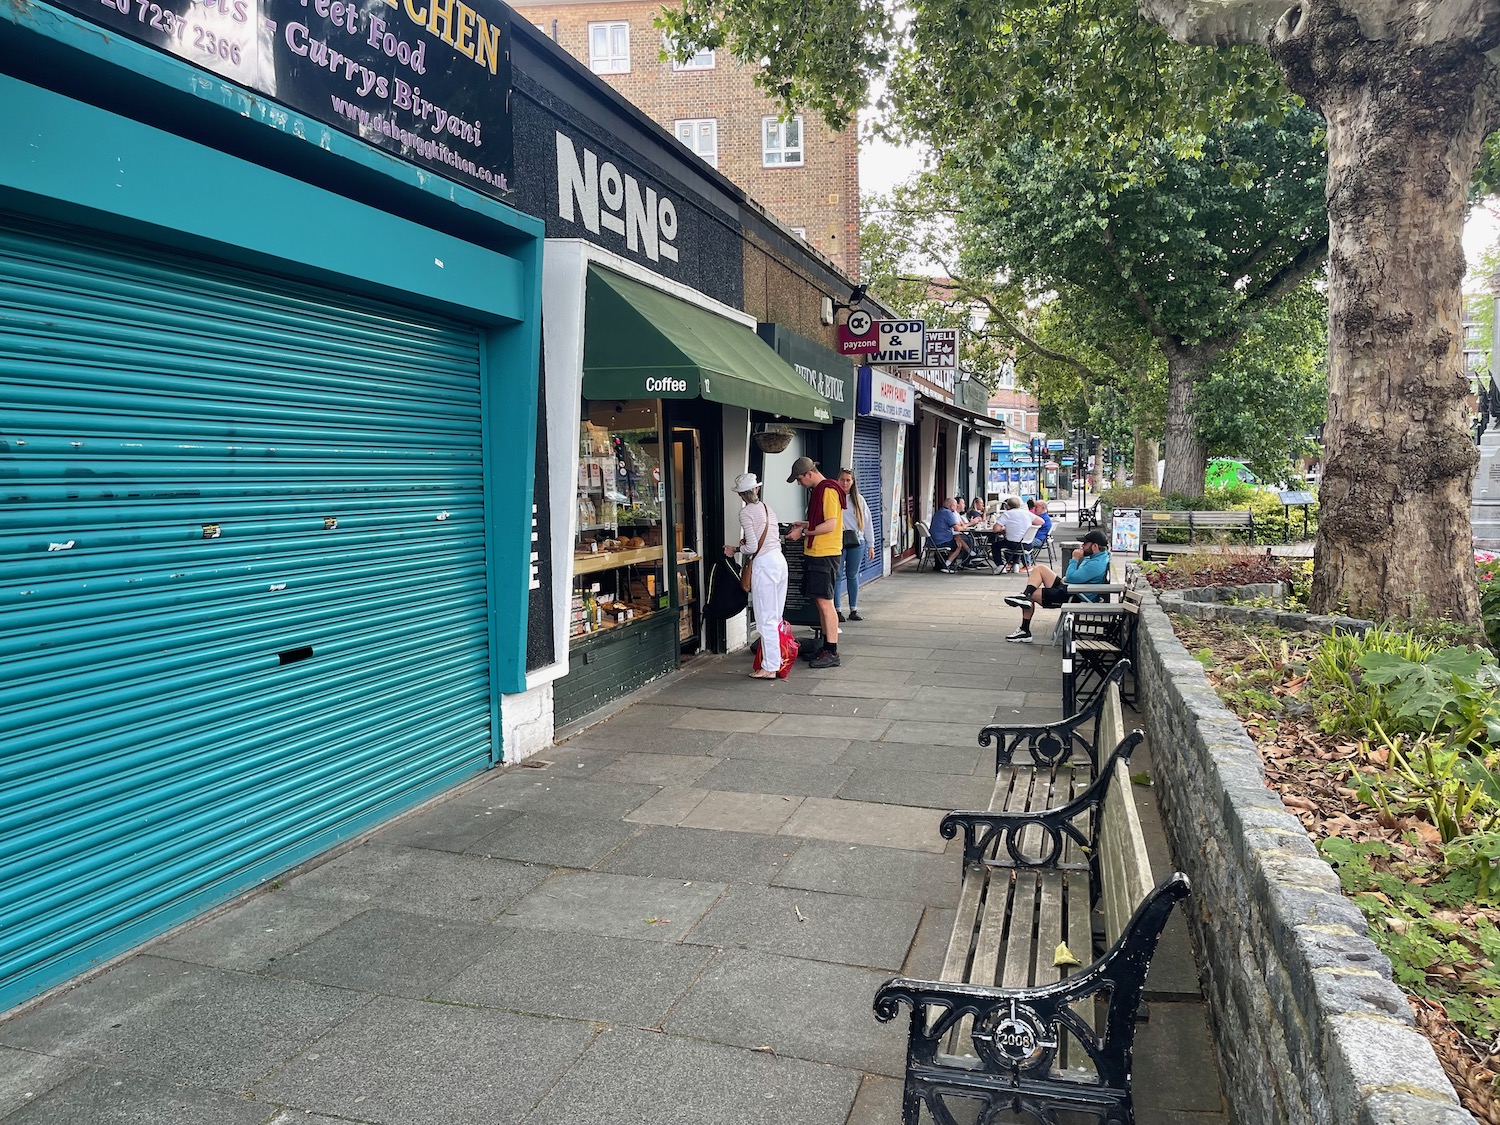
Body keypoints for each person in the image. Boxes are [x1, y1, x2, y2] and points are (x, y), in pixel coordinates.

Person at [724, 471, 787, 679]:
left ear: (742, 495)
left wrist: (734, 549)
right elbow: (769, 537)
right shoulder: (769, 509)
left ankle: (770, 666)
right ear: (757, 489)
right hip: (779, 561)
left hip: (765, 566)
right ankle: (777, 659)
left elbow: (752, 546)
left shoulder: (746, 513)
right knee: (776, 617)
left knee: (765, 619)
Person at [1002, 529, 1112, 643]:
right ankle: (1025, 596)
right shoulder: (1097, 556)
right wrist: (1069, 579)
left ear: (1095, 546)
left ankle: (1025, 630)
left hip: (1075, 596)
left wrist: (1074, 559)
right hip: (1072, 588)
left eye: (1085, 543)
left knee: (1032, 595)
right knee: (1040, 568)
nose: (1082, 546)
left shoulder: (1096, 563)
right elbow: (1074, 577)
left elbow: (1071, 577)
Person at [786, 456, 844, 668]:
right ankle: (826, 647)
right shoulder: (822, 490)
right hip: (818, 552)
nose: (800, 483)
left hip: (825, 553)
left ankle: (832, 651)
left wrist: (803, 532)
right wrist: (805, 523)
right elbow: (823, 521)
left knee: (825, 603)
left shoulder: (828, 490)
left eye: (800, 479)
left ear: (809, 474)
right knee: (821, 602)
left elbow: (830, 525)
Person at [835, 468, 876, 621]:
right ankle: (837, 610)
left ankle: (853, 609)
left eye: (848, 480)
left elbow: (867, 522)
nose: (845, 483)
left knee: (852, 575)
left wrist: (871, 545)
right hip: (837, 541)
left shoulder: (858, 499)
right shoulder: (834, 497)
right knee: (837, 575)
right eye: (842, 479)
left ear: (853, 482)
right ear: (837, 480)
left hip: (856, 541)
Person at [928, 497, 976, 572]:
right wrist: (964, 526)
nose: (956, 507)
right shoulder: (948, 513)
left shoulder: (939, 511)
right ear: (951, 506)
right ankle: (947, 565)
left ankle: (948, 563)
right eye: (955, 505)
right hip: (941, 541)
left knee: (957, 537)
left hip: (932, 541)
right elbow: (957, 528)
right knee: (959, 545)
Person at [994, 496, 1040, 572]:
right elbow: (1041, 521)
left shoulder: (1007, 514)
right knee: (1018, 540)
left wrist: (1005, 528)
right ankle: (1015, 564)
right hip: (1028, 544)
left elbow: (996, 529)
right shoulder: (1026, 513)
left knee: (995, 545)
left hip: (1013, 545)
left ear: (1008, 506)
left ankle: (1000, 566)